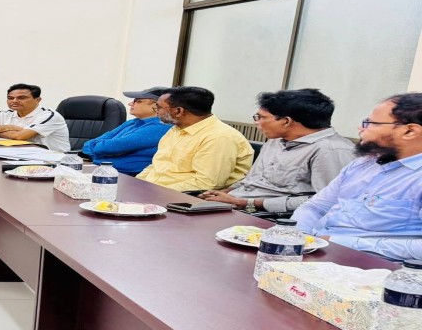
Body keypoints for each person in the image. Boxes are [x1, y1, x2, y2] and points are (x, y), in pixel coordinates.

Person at [292, 93, 422, 262]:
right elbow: (314, 207)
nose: (360, 128)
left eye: (370, 123)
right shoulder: (363, 164)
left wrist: (343, 243)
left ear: (409, 131)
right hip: (317, 252)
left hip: (370, 266)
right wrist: (299, 237)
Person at [200, 89, 355, 215]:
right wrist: (222, 193)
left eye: (261, 117)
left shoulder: (330, 150)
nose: (256, 122)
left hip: (268, 216)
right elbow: (251, 181)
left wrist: (246, 203)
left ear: (286, 121)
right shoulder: (276, 140)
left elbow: (325, 201)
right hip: (238, 204)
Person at [136, 86, 253, 192]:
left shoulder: (219, 137)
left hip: (180, 198)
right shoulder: (176, 129)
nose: (156, 111)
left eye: (159, 107)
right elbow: (156, 166)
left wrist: (155, 191)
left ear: (178, 111)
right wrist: (137, 184)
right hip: (154, 191)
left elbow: (206, 183)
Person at [80, 87, 172, 175]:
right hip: (102, 169)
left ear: (156, 106)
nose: (130, 104)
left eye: (138, 101)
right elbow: (88, 145)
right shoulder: (132, 122)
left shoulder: (160, 127)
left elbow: (110, 147)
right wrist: (98, 151)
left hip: (128, 176)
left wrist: (97, 152)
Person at [0, 83, 70, 152]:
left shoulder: (49, 115)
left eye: (21, 98)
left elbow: (19, 137)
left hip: (51, 158)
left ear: (38, 100)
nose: (14, 101)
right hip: (15, 155)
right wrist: (8, 127)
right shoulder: (4, 114)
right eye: (10, 98)